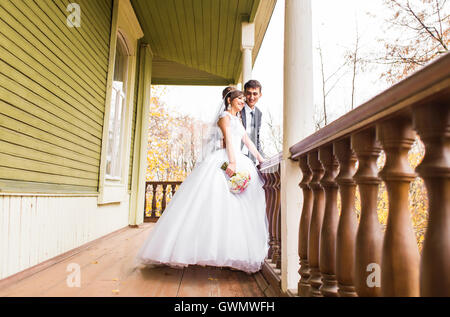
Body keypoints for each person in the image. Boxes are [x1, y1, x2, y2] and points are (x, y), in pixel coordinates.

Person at [135, 90, 269, 274]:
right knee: (215, 204)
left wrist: (261, 159)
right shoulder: (225, 118)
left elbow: (246, 141)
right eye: (240, 99)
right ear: (230, 100)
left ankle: (231, 251)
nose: (243, 102)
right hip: (227, 160)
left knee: (236, 208)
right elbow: (229, 140)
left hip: (238, 158)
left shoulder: (238, 120)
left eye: (245, 100)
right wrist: (232, 162)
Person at [240, 80, 264, 164]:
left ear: (260, 95)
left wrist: (262, 158)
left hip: (251, 158)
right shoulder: (238, 109)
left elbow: (256, 138)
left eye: (255, 93)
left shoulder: (259, 113)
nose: (251, 97)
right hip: (236, 154)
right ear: (244, 93)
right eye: (249, 93)